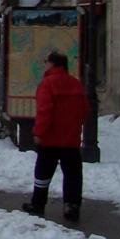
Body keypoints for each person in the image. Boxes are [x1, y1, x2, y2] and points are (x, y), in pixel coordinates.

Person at [22, 51, 88, 222]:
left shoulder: (47, 84)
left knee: (43, 172)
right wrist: (75, 128)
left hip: (50, 139)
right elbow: (84, 110)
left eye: (47, 62)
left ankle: (38, 203)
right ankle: (72, 206)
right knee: (73, 173)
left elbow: (44, 111)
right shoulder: (76, 84)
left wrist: (39, 132)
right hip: (71, 139)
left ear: (53, 64)